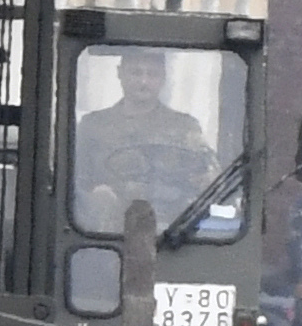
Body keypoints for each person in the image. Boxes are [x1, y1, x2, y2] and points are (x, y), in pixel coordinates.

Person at [66, 48, 224, 244]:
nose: (143, 81)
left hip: (171, 230)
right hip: (105, 235)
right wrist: (98, 195)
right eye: (136, 72)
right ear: (120, 73)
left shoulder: (185, 128)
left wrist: (204, 181)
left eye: (152, 74)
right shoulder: (94, 125)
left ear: (163, 78)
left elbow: (211, 178)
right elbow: (74, 181)